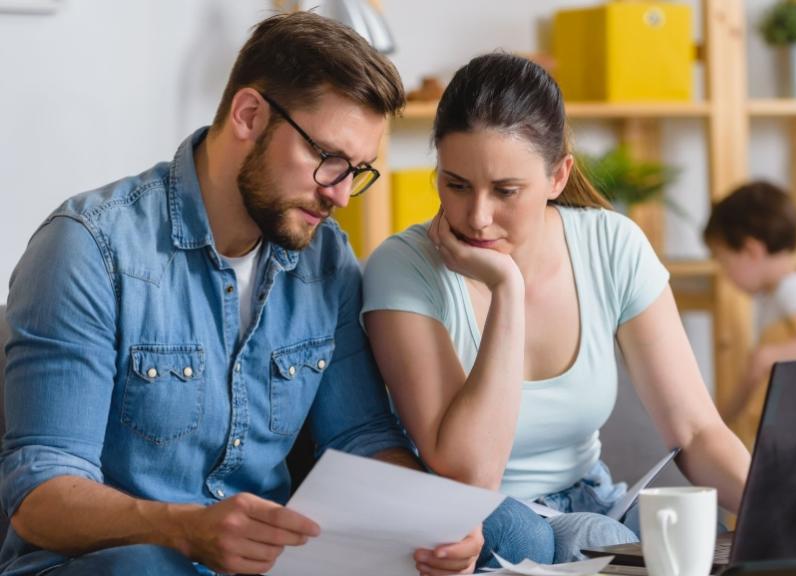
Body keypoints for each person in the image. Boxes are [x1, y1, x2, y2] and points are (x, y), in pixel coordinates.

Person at [0, 14, 549, 576]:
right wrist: (185, 529)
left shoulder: (324, 257)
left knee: (510, 531)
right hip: (116, 562)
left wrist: (434, 525)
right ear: (249, 115)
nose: (340, 194)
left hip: (268, 562)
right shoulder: (89, 247)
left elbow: (361, 439)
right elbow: (39, 495)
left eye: (356, 171)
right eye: (328, 159)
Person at [361, 53, 751, 563]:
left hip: (590, 498)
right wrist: (507, 290)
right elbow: (465, 472)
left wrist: (783, 510)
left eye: (506, 191)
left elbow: (697, 431)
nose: (477, 217)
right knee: (533, 539)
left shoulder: (612, 246)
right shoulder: (402, 267)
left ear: (558, 177)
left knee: (690, 529)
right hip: (476, 515)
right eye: (456, 185)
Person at [703, 180, 796, 449]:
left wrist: (765, 356)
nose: (725, 274)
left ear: (751, 250)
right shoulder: (775, 295)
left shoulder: (794, 287)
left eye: (724, 261)